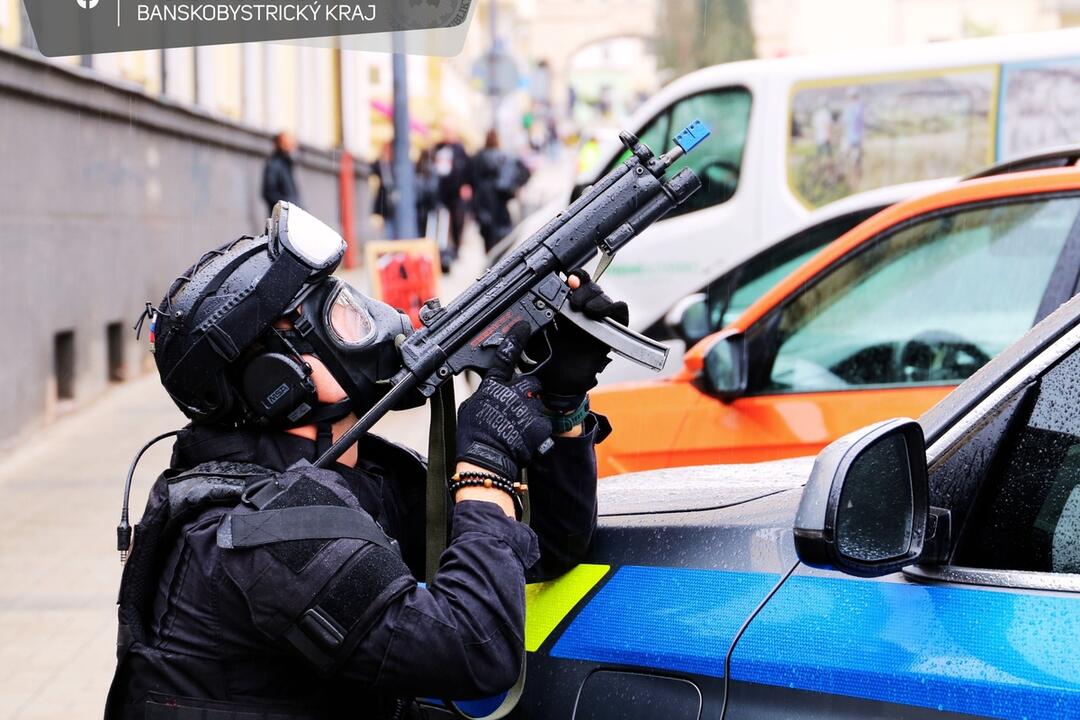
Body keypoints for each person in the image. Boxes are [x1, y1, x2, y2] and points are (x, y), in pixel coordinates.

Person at [105, 202, 623, 719]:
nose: (367, 320)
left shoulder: (352, 474)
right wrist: (484, 467)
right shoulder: (269, 533)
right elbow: (474, 652)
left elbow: (550, 547)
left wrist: (560, 404)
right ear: (276, 382)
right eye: (337, 318)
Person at [470, 130, 531, 253]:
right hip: (500, 200)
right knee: (502, 233)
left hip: (483, 200)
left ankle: (490, 259)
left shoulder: (477, 158)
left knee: (487, 235)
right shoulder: (504, 157)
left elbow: (472, 179)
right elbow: (523, 172)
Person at [433, 124, 472, 263]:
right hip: (441, 191)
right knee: (440, 220)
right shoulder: (437, 147)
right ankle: (440, 249)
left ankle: (455, 249)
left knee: (457, 220)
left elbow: (467, 168)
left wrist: (466, 185)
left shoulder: (460, 149)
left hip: (456, 191)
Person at [261, 131, 301, 216]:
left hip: (289, 214)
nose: (293, 147)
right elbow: (269, 193)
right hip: (281, 217)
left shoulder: (286, 163)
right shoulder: (274, 164)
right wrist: (288, 204)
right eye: (290, 144)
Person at [370, 142, 399, 238]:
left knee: (393, 223)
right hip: (384, 199)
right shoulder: (379, 164)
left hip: (393, 198)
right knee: (387, 225)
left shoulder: (394, 164)